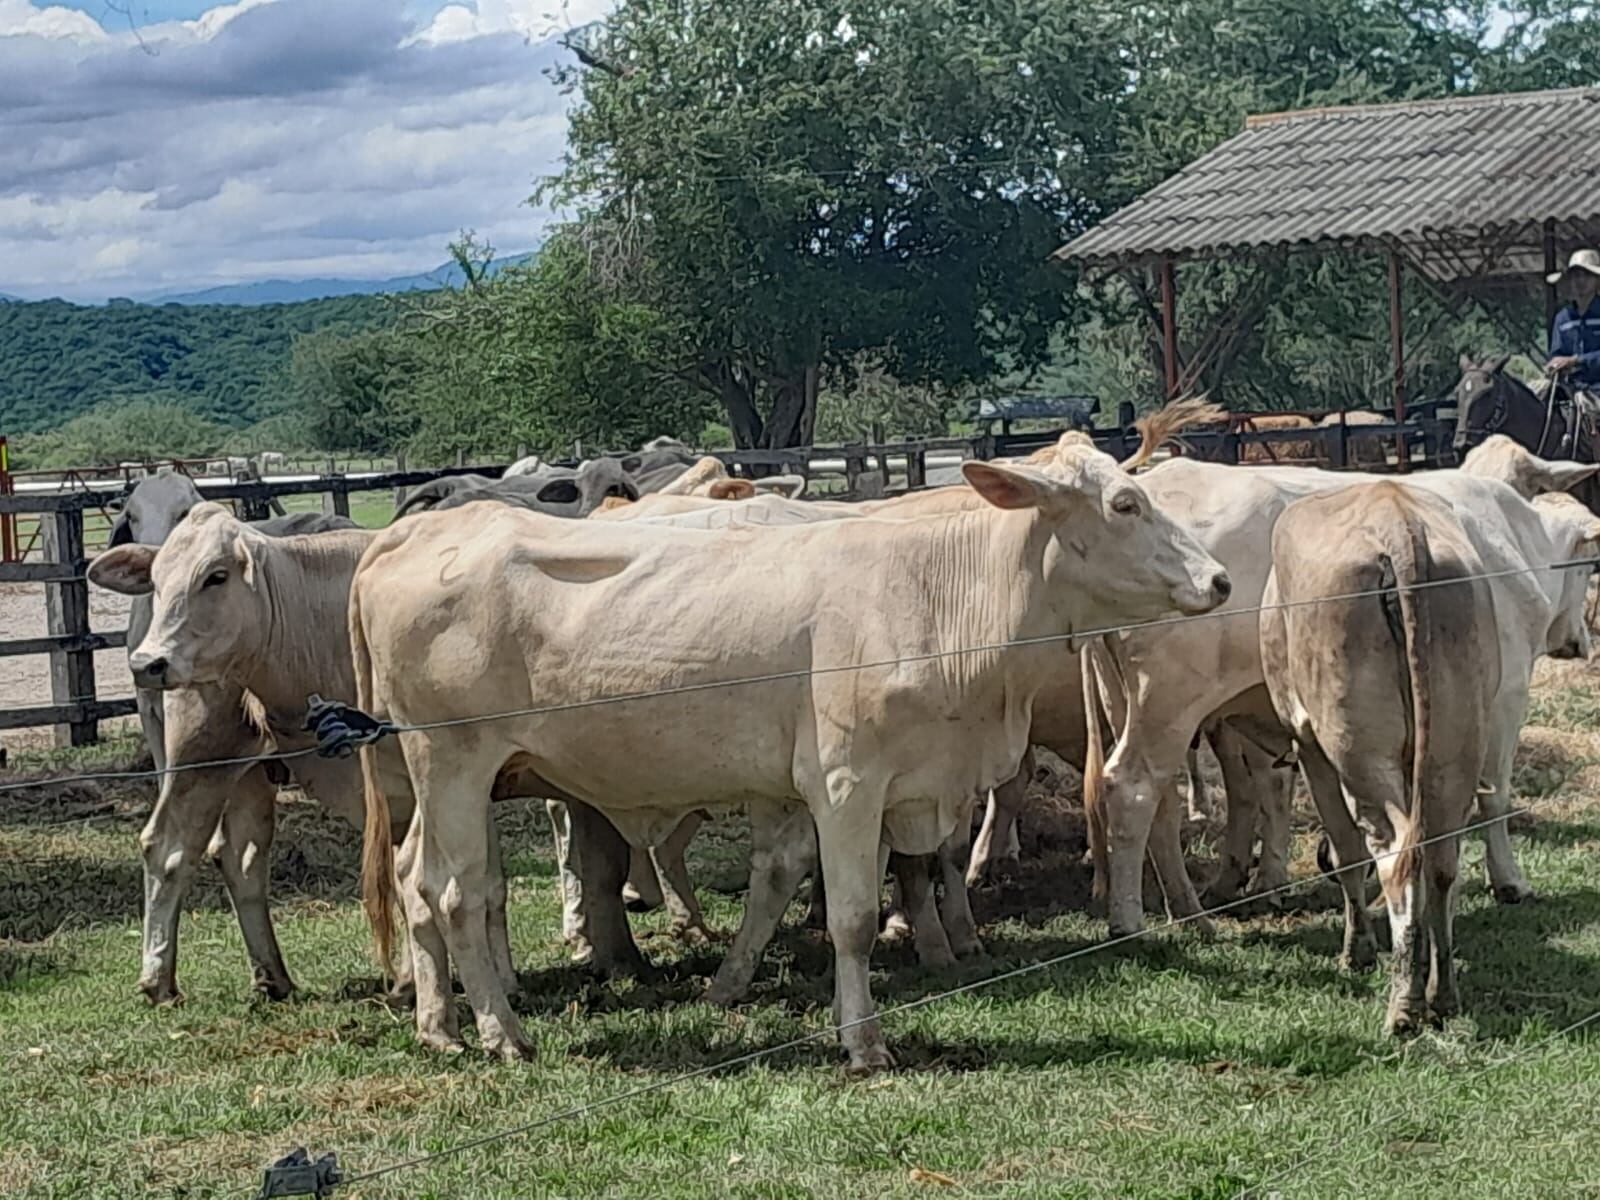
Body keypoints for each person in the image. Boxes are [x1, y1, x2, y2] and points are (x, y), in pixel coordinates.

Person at [1548, 248, 1600, 396]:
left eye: (1587, 275)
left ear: (1597, 280)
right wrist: (1555, 365)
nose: (1581, 281)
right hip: (1570, 390)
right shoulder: (1562, 318)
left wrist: (1575, 361)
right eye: (1576, 276)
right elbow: (1556, 354)